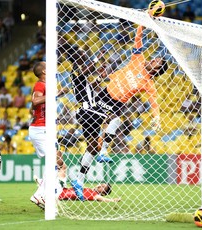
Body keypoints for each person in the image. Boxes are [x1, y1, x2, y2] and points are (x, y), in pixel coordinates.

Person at [71, 24, 168, 200]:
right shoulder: (138, 59)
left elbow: (154, 103)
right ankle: (104, 151)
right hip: (103, 97)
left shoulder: (148, 83)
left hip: (116, 104)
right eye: (155, 59)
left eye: (156, 63)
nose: (153, 60)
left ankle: (79, 180)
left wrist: (157, 119)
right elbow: (138, 40)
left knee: (94, 145)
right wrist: (141, 23)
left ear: (156, 72)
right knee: (111, 124)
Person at [28, 61, 67, 209]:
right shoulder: (40, 85)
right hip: (40, 129)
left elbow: (36, 105)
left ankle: (43, 189)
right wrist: (53, 94)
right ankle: (40, 194)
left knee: (58, 161)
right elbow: (35, 101)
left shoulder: (45, 86)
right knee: (55, 161)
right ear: (44, 72)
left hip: (44, 128)